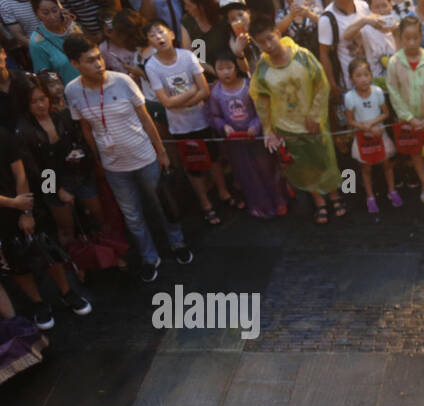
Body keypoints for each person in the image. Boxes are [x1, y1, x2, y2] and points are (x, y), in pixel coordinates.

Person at [64, 35, 190, 280]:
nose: (99, 64)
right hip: (114, 167)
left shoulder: (122, 81)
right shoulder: (73, 91)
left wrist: (161, 151)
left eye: (99, 58)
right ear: (75, 64)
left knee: (161, 203)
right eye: (90, 61)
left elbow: (145, 118)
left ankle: (178, 243)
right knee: (132, 215)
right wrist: (98, 160)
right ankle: (149, 257)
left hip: (145, 157)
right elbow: (86, 129)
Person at [249, 16, 346, 222]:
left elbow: (322, 85)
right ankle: (319, 201)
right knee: (303, 167)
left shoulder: (302, 56)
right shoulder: (262, 69)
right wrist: (268, 130)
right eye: (261, 43)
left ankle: (335, 196)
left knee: (325, 161)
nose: (268, 45)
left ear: (277, 33)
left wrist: (315, 115)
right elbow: (261, 99)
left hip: (313, 123)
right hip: (286, 126)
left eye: (270, 39)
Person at [0, 122, 91, 329]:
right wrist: (13, 203)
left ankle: (67, 292)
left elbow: (20, 173)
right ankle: (38, 304)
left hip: (27, 202)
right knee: (17, 263)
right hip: (7, 212)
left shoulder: (4, 134)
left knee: (48, 249)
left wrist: (25, 210)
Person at [145, 18, 233, 222]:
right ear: (149, 42)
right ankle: (205, 203)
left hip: (201, 120)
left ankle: (224, 193)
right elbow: (166, 102)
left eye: (161, 31)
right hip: (180, 126)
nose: (159, 37)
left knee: (213, 159)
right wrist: (191, 91)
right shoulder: (152, 66)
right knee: (193, 166)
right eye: (152, 35)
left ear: (172, 34)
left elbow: (204, 91)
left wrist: (182, 100)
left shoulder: (187, 56)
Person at [17, 71, 105, 244]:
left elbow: (81, 140)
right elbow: (34, 168)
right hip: (50, 182)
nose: (40, 105)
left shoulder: (63, 116)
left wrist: (80, 154)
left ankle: (109, 253)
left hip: (79, 175)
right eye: (34, 102)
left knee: (98, 217)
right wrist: (58, 190)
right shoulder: (25, 131)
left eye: (42, 99)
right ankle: (75, 265)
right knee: (66, 229)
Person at [206, 47, 288, 217]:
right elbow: (214, 116)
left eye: (229, 67)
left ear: (236, 67)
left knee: (267, 169)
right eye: (220, 69)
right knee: (246, 173)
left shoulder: (249, 86)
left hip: (256, 138)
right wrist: (223, 127)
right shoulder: (215, 93)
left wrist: (255, 125)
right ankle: (259, 205)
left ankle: (279, 200)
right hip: (236, 143)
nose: (225, 72)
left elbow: (262, 109)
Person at [386, 14, 424, 202]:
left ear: (421, 36)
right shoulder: (394, 62)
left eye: (415, 38)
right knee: (416, 152)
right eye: (407, 39)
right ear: (401, 38)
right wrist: (409, 117)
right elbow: (393, 92)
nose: (411, 43)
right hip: (409, 120)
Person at [343, 57, 400, 212]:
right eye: (358, 76)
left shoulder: (377, 92)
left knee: (386, 164)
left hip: (379, 134)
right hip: (363, 138)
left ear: (371, 76)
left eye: (366, 75)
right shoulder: (349, 97)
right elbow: (350, 120)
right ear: (351, 79)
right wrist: (363, 127)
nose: (363, 79)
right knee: (366, 168)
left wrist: (373, 123)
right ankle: (370, 197)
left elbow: (386, 113)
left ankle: (392, 191)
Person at [30, 0, 83, 82]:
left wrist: (71, 30)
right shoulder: (37, 43)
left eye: (55, 11)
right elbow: (44, 76)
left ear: (60, 9)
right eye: (46, 13)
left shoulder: (72, 26)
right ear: (37, 14)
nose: (52, 17)